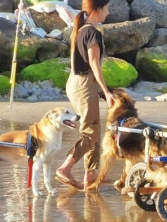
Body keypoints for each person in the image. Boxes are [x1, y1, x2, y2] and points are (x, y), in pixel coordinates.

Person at [56, 0, 114, 190]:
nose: (108, 11)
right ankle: (65, 168)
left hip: (78, 82)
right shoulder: (91, 32)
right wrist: (106, 91)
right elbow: (94, 64)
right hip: (83, 84)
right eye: (106, 7)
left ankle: (92, 174)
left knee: (94, 128)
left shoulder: (82, 30)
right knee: (91, 131)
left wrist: (102, 91)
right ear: (98, 9)